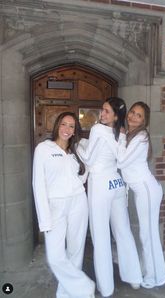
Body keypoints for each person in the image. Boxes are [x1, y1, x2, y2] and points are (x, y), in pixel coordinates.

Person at [77, 97, 142, 298]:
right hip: (117, 183)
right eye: (102, 110)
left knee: (101, 236)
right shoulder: (122, 133)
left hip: (101, 184)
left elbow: (88, 158)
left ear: (115, 116)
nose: (102, 114)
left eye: (106, 111)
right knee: (123, 231)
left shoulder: (98, 129)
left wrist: (79, 144)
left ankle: (106, 287)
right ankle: (134, 278)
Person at [32, 111, 95, 298]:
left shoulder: (76, 151)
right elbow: (38, 185)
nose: (67, 129)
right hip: (55, 206)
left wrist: (83, 174)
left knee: (76, 250)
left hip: (78, 203)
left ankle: (66, 294)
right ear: (57, 125)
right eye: (63, 124)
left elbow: (84, 173)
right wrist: (44, 220)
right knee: (55, 257)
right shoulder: (44, 149)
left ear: (75, 131)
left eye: (71, 126)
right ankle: (85, 288)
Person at [117, 101, 165, 289]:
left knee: (148, 235)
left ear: (144, 121)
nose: (133, 117)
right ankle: (154, 271)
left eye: (138, 115)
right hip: (145, 190)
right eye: (132, 112)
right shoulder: (134, 135)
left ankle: (156, 276)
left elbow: (121, 161)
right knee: (147, 234)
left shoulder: (140, 137)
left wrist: (121, 137)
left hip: (147, 190)